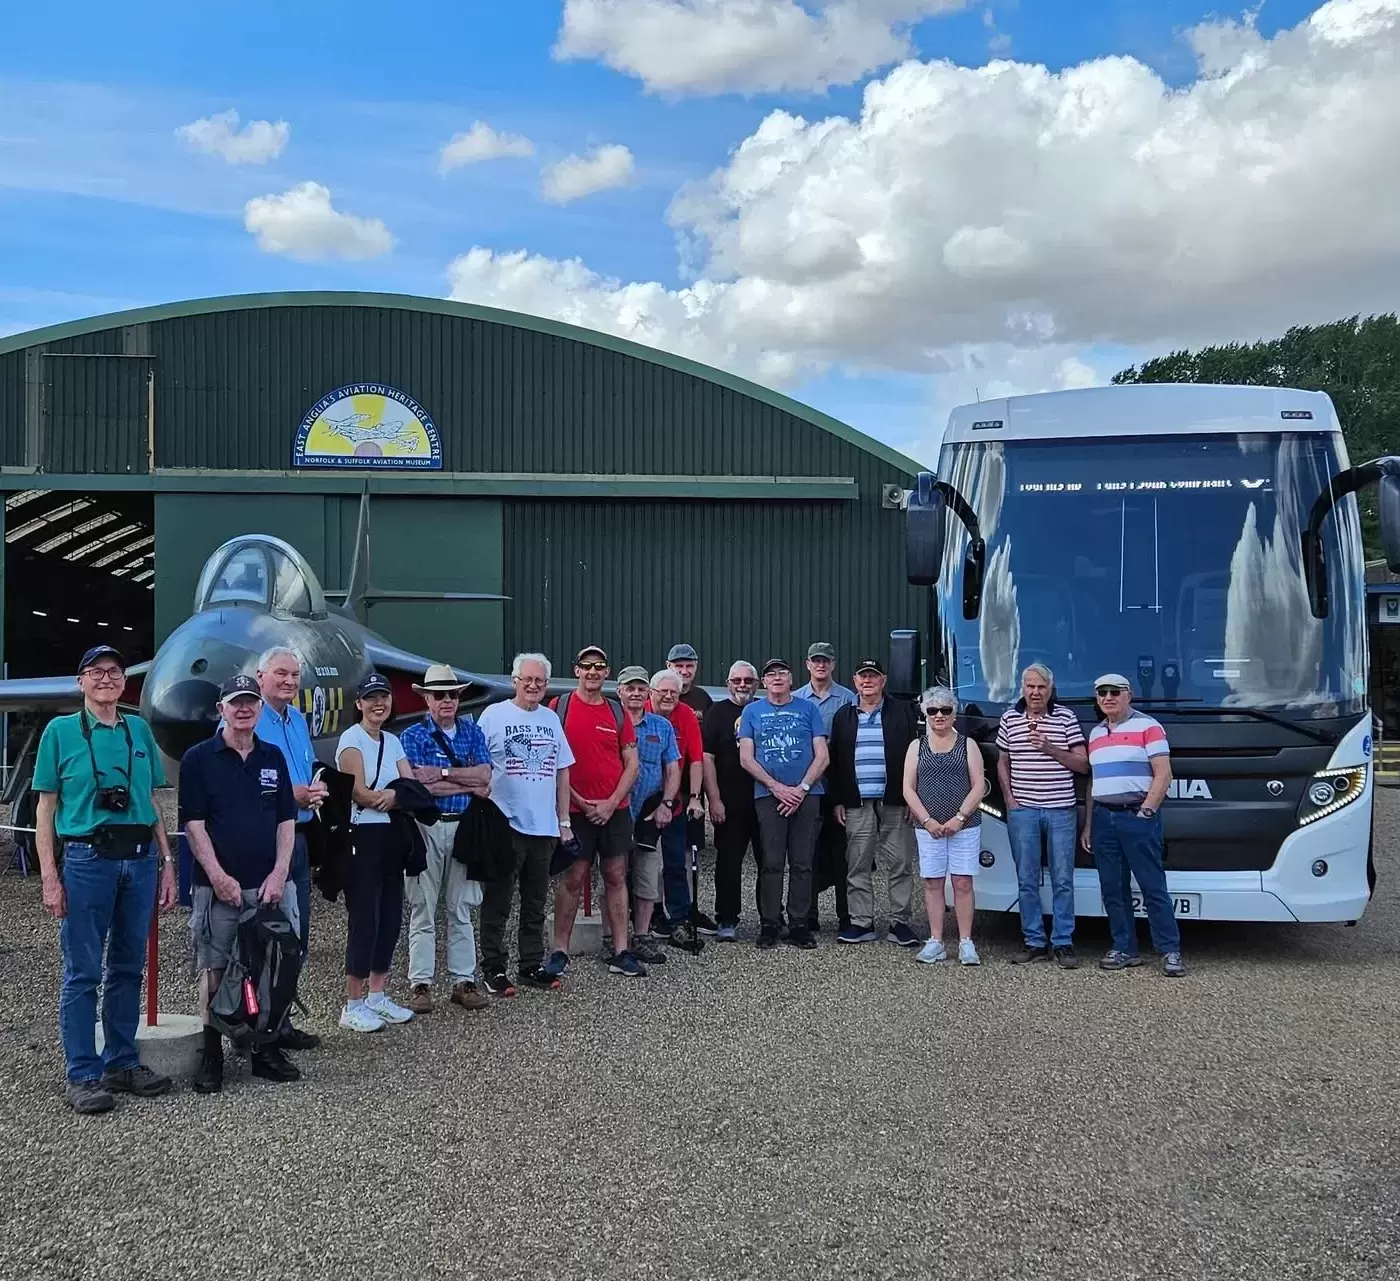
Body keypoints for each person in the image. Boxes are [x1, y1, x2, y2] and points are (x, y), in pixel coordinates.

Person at [34, 644, 177, 1114]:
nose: (106, 679)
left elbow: (150, 801)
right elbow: (46, 808)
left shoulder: (139, 729)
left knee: (127, 967)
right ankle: (83, 1072)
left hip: (137, 861)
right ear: (81, 682)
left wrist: (167, 860)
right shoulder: (59, 732)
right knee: (82, 973)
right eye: (95, 672)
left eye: (114, 672)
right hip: (86, 860)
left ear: (124, 681)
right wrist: (50, 877)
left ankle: (122, 1060)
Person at [181, 675, 301, 1092]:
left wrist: (279, 872)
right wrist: (217, 876)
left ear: (259, 708)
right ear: (222, 710)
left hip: (267, 885)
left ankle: (264, 1049)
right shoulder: (198, 758)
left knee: (268, 968)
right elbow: (193, 825)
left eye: (250, 701)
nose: (244, 709)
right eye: (235, 703)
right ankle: (211, 1054)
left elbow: (286, 820)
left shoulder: (272, 758)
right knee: (215, 969)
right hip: (218, 887)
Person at [476, 653, 575, 994]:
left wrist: (564, 821)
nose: (533, 686)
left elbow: (563, 771)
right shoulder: (494, 715)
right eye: (527, 680)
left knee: (535, 903)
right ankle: (493, 968)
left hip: (544, 827)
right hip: (506, 825)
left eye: (540, 681)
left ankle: (530, 964)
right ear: (514, 681)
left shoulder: (550, 719)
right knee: (498, 901)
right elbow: (479, 764)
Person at [399, 664, 494, 1014]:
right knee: (423, 906)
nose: (447, 701)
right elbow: (417, 787)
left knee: (462, 906)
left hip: (464, 827)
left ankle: (463, 980)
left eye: (452, 694)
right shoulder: (412, 735)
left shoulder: (472, 733)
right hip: (427, 826)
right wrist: (465, 781)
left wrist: (441, 774)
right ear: (427, 698)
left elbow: (485, 777)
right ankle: (420, 983)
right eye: (439, 695)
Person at [547, 646, 642, 978]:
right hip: (573, 809)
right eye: (586, 666)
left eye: (599, 666)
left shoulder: (617, 712)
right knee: (573, 878)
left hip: (615, 810)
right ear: (576, 671)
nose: (592, 672)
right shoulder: (558, 708)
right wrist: (580, 800)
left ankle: (621, 950)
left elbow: (631, 763)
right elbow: (554, 762)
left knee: (616, 876)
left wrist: (611, 802)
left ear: (606, 672)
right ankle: (560, 950)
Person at [1082, 674, 1185, 977]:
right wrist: (1089, 825)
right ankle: (1125, 948)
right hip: (1103, 818)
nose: (1108, 697)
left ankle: (1170, 951)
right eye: (1102, 692)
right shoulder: (1096, 734)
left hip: (1136, 816)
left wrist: (1147, 812)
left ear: (1130, 695)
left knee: (1153, 886)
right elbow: (1094, 782)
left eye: (1115, 692)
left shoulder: (1149, 727)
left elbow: (1163, 774)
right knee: (1112, 887)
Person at [252, 646, 328, 1049]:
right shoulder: (248, 718)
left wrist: (316, 787)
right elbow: (238, 785)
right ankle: (260, 1025)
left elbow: (307, 765)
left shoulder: (297, 719)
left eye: (295, 675)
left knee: (297, 936)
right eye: (281, 673)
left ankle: (281, 1020)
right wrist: (290, 795)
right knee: (265, 934)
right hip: (265, 841)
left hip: (299, 839)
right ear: (260, 676)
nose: (289, 681)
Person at [335, 672, 418, 1032]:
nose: (378, 704)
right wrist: (392, 796)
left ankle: (378, 995)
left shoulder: (393, 741)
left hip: (391, 835)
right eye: (370, 698)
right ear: (359, 704)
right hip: (362, 836)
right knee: (364, 917)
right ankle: (352, 1002)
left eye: (383, 697)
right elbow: (358, 791)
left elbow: (409, 785)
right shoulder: (351, 740)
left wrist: (395, 796)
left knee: (390, 913)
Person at [996, 662, 1088, 969]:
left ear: (1050, 690)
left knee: (1063, 879)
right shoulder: (1009, 718)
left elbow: (1083, 765)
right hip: (1023, 812)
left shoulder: (1066, 718)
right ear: (1022, 689)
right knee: (1027, 880)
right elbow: (1003, 763)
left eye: (1041, 687)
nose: (1036, 692)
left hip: (1061, 810)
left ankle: (1063, 942)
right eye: (1030, 686)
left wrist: (1050, 748)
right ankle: (1034, 940)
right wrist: (1010, 799)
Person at [827, 658, 922, 947]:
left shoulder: (903, 713)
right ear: (855, 681)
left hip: (895, 800)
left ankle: (900, 923)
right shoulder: (843, 716)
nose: (867, 681)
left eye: (873, 676)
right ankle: (860, 922)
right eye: (862, 677)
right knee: (857, 863)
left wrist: (912, 798)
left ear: (883, 680)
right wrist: (838, 800)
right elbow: (836, 762)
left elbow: (916, 756)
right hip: (856, 802)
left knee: (901, 863)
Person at [740, 658, 829, 950]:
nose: (776, 678)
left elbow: (822, 756)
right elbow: (746, 758)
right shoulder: (752, 711)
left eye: (782, 673)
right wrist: (776, 787)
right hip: (768, 797)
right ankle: (770, 924)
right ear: (762, 683)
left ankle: (799, 924)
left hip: (807, 796)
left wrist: (802, 789)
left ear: (792, 679)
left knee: (803, 863)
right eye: (770, 674)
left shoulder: (809, 709)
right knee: (772, 862)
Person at [902, 687, 985, 967]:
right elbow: (908, 789)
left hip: (965, 826)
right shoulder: (916, 747)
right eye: (933, 710)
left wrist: (959, 818)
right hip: (928, 829)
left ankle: (965, 942)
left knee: (962, 882)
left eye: (945, 710)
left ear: (954, 714)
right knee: (932, 882)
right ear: (925, 713)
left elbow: (978, 786)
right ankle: (936, 940)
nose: (939, 715)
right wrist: (927, 821)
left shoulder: (968, 745)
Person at [616, 665, 680, 966]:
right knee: (613, 878)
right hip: (614, 813)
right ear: (620, 692)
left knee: (646, 878)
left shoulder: (662, 727)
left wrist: (667, 804)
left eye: (641, 688)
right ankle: (612, 939)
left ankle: (641, 936)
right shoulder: (610, 722)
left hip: (648, 814)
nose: (636, 693)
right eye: (631, 687)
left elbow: (672, 768)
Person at [794, 641, 857, 933]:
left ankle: (846, 917)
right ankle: (808, 914)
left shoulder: (848, 699)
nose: (821, 665)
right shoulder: (795, 700)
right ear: (807, 664)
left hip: (837, 785)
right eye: (815, 660)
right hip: (806, 786)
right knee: (807, 852)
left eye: (826, 661)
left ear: (833, 664)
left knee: (842, 851)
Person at [648, 667, 711, 944]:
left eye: (674, 693)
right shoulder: (640, 714)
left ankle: (680, 918)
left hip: (674, 800)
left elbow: (696, 758)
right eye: (663, 692)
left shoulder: (685, 715)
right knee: (643, 864)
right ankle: (648, 915)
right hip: (642, 802)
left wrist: (695, 796)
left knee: (675, 862)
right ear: (653, 693)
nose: (669, 697)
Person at [702, 661, 764, 940]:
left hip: (765, 801)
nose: (742, 685)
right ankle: (727, 917)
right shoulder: (717, 713)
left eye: (748, 681)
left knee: (770, 862)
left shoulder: (766, 711)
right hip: (729, 801)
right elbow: (707, 758)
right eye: (737, 680)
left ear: (757, 683)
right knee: (728, 862)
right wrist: (713, 799)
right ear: (728, 684)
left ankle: (770, 918)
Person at [667, 643, 713, 717]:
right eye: (679, 666)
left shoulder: (702, 698)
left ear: (696, 666)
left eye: (689, 666)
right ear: (668, 666)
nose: (684, 671)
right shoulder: (658, 697)